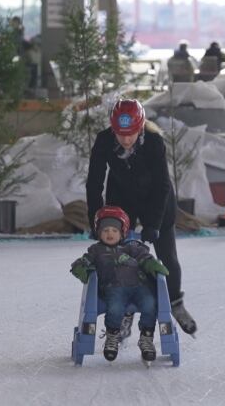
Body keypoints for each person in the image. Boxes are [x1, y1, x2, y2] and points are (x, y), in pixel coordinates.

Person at [86, 99, 197, 337]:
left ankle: (176, 303)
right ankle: (124, 311)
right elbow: (94, 183)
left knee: (167, 256)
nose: (126, 140)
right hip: (121, 199)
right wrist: (95, 220)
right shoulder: (104, 141)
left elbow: (162, 185)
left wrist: (153, 225)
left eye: (131, 134)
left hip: (156, 200)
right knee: (121, 258)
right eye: (120, 134)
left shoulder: (154, 142)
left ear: (141, 126)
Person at [70, 206, 169, 363]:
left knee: (150, 304)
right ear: (98, 232)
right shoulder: (96, 250)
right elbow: (81, 262)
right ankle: (112, 336)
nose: (110, 234)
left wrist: (152, 265)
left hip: (139, 287)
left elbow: (145, 257)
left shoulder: (131, 246)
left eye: (114, 230)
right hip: (113, 288)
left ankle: (146, 338)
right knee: (115, 308)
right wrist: (81, 269)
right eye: (106, 230)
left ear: (122, 232)